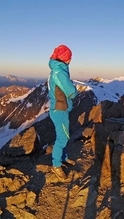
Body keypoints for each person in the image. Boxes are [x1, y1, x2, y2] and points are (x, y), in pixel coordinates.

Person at [48, 44, 78, 180]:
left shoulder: (56, 70)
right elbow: (71, 92)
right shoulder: (59, 73)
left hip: (59, 108)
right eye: (69, 57)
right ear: (65, 58)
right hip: (60, 110)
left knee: (63, 134)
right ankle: (56, 165)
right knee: (63, 137)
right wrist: (75, 89)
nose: (70, 60)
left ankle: (63, 158)